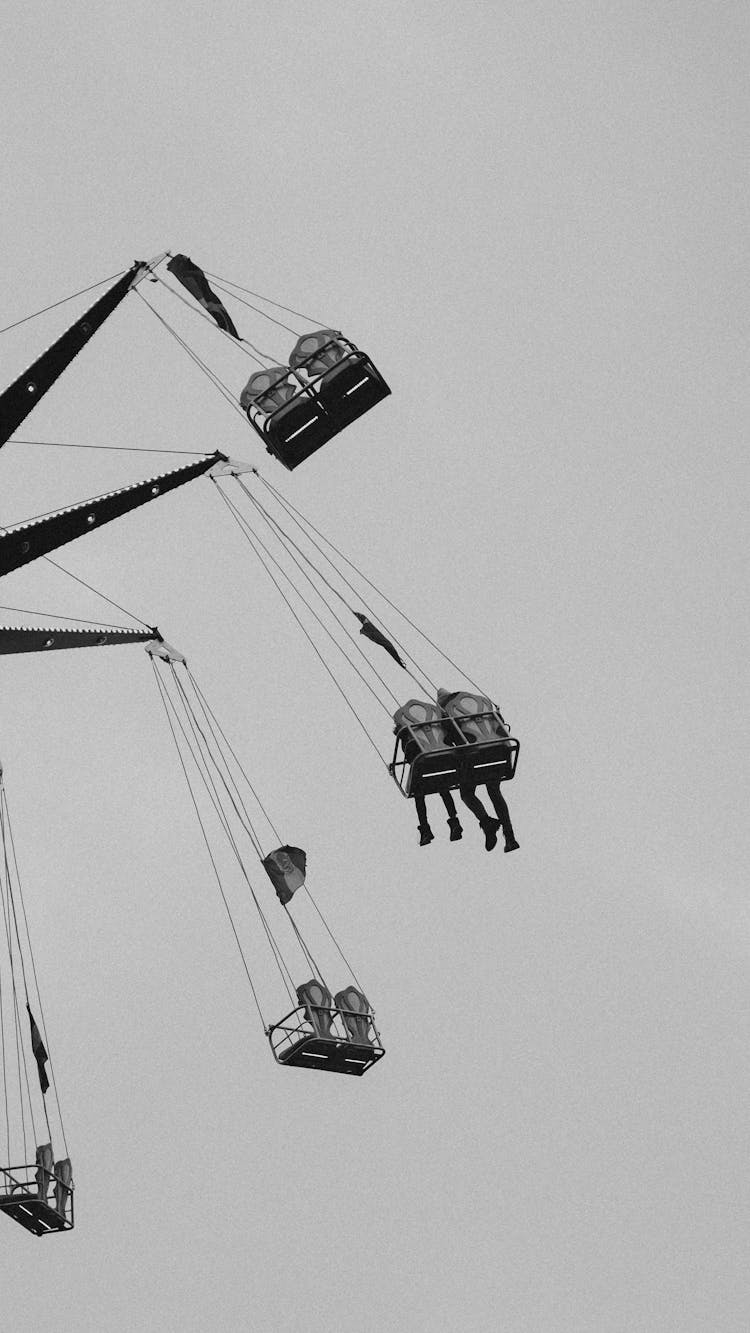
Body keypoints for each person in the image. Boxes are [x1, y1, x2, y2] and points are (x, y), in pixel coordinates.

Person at [436, 689, 520, 853]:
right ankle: (510, 837)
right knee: (494, 791)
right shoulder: (481, 703)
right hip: (500, 751)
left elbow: (449, 738)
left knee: (466, 794)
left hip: (475, 756)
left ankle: (487, 822)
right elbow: (500, 722)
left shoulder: (448, 711)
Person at [393, 712, 463, 846]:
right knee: (443, 789)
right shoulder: (436, 728)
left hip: (422, 767)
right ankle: (454, 820)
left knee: (419, 795)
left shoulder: (407, 735)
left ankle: (425, 829)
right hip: (440, 765)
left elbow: (408, 755)